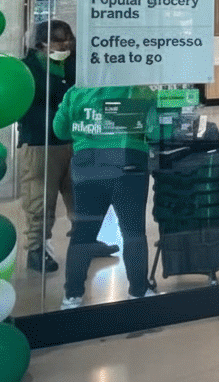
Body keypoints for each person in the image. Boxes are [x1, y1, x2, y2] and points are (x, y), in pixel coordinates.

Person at [53, 85, 158, 309]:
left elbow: (59, 130)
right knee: (133, 232)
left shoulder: (76, 92)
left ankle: (72, 296)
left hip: (88, 166)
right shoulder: (140, 91)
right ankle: (138, 291)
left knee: (83, 233)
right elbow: (156, 132)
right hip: (129, 164)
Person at [18, 20, 77, 273]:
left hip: (74, 140)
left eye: (67, 40)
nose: (64, 45)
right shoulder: (27, 69)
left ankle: (86, 239)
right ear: (41, 43)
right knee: (41, 197)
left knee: (80, 195)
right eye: (57, 40)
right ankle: (37, 249)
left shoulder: (74, 64)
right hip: (41, 142)